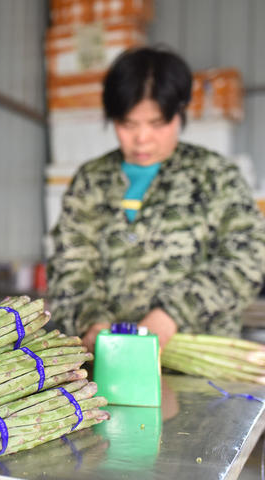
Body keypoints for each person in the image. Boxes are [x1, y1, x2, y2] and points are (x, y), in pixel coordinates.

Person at [47, 46, 265, 352]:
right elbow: (70, 263)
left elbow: (248, 257)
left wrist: (171, 315)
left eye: (157, 123)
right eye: (128, 125)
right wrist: (92, 324)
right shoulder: (91, 180)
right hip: (110, 360)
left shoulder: (214, 175)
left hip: (198, 361)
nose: (142, 139)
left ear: (180, 112)